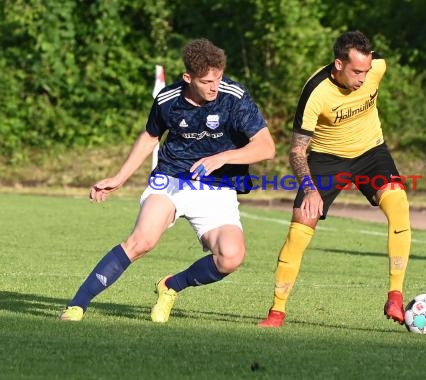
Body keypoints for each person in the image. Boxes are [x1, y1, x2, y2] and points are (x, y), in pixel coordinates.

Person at [59, 38, 275, 322]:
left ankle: (171, 286)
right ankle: (77, 305)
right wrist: (119, 177)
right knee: (142, 241)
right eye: (207, 81)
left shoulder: (234, 97)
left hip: (218, 187)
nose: (215, 87)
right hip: (171, 179)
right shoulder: (168, 100)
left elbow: (266, 147)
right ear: (188, 77)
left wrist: (222, 158)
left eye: (219, 79)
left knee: (231, 257)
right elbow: (150, 136)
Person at [257, 31, 412, 328]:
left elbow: (372, 69)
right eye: (356, 71)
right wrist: (309, 188)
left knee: (399, 203)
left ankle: (395, 295)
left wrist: (367, 71)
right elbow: (297, 151)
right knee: (301, 225)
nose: (363, 78)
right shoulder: (316, 92)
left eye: (366, 71)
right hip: (327, 160)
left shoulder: (377, 68)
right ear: (338, 64)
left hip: (371, 152)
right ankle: (276, 312)